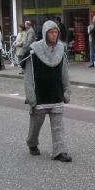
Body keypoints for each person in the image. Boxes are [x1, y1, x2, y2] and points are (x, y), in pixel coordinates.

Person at [24, 20, 72, 162]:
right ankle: (32, 143)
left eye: (56, 32)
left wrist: (67, 90)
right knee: (36, 124)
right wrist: (31, 96)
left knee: (58, 126)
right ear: (45, 33)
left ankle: (59, 151)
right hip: (40, 94)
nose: (54, 34)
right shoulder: (33, 51)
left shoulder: (61, 49)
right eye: (51, 32)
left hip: (56, 93)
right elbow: (28, 76)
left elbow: (64, 72)